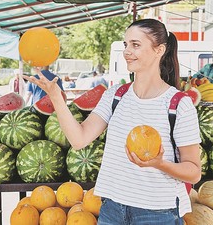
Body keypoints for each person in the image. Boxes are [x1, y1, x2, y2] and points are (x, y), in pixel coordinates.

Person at [28, 19, 201, 224]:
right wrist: (56, 96)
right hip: (112, 210)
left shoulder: (178, 104)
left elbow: (194, 172)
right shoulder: (115, 96)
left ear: (159, 50)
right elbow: (79, 139)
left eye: (136, 45)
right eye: (125, 44)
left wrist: (159, 163)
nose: (127, 51)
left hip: (157, 213)